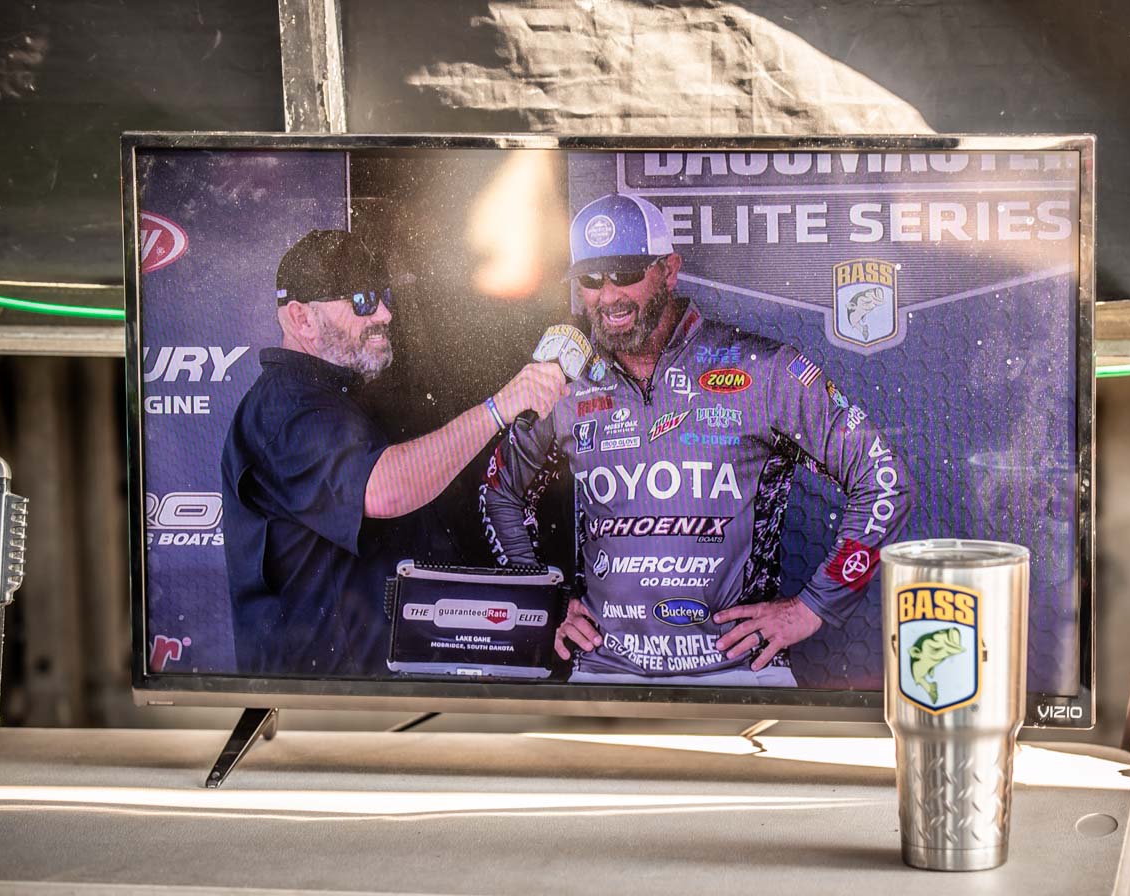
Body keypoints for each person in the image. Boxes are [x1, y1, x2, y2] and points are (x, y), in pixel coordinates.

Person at [481, 194, 911, 685]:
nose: (608, 295)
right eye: (591, 279)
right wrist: (545, 599)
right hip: (603, 673)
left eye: (625, 273)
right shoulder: (563, 382)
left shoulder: (764, 369)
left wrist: (814, 606)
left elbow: (885, 481)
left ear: (669, 270)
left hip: (739, 673)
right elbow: (499, 490)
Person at [221, 229, 567, 675]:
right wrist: (499, 408)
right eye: (362, 301)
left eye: (383, 296)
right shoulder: (285, 409)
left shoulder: (346, 398)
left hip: (386, 693)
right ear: (302, 318)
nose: (384, 313)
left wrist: (532, 611)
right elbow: (385, 490)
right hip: (324, 705)